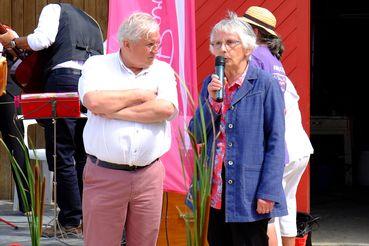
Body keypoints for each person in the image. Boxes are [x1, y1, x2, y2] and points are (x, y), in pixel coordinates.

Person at [0, 3, 103, 236]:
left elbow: (40, 41)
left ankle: (69, 221)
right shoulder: (92, 22)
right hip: (91, 84)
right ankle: (86, 218)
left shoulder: (54, 8)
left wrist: (14, 42)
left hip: (64, 80)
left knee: (62, 153)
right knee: (82, 154)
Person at [78, 12, 178, 246]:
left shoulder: (162, 70)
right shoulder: (97, 65)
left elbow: (165, 110)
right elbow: (93, 102)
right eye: (149, 44)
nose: (156, 49)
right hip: (105, 175)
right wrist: (140, 95)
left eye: (157, 44)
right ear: (126, 44)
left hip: (149, 176)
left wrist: (114, 111)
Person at [188, 12, 287, 246]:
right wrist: (212, 102)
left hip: (249, 192)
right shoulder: (210, 84)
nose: (223, 49)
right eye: (217, 43)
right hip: (215, 191)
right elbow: (196, 133)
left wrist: (269, 191)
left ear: (248, 48)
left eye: (231, 42)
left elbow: (276, 141)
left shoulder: (265, 85)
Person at [240, 6, 314, 246]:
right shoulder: (274, 61)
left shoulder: (253, 59)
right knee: (287, 207)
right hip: (298, 148)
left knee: (268, 214)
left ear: (253, 31)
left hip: (278, 148)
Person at [0, 40, 31, 214]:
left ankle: (26, 203)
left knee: (16, 144)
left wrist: (11, 45)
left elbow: (23, 58)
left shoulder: (6, 33)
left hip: (8, 90)